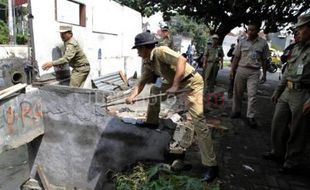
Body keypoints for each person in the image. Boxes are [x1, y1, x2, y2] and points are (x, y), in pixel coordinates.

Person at [126, 32, 218, 182]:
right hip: (174, 83)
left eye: (138, 49)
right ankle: (151, 122)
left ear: (145, 48)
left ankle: (211, 166)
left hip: (191, 83)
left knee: (199, 123)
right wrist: (131, 97)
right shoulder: (148, 62)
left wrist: (175, 85)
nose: (137, 53)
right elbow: (142, 82)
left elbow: (182, 60)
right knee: (155, 91)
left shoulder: (161, 51)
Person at [262, 13, 310, 174]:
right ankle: (277, 152)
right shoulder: (296, 48)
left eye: (301, 28)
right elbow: (288, 72)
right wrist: (277, 91)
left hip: (303, 93)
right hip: (287, 91)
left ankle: (292, 161)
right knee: (278, 123)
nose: (298, 32)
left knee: (298, 130)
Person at [230, 21, 270, 128]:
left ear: (257, 31)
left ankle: (250, 116)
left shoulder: (263, 43)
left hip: (254, 72)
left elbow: (264, 60)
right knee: (237, 92)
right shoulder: (242, 42)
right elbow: (236, 57)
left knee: (252, 94)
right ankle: (236, 111)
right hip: (241, 70)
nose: (250, 32)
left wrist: (265, 74)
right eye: (249, 29)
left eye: (253, 30)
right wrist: (232, 71)